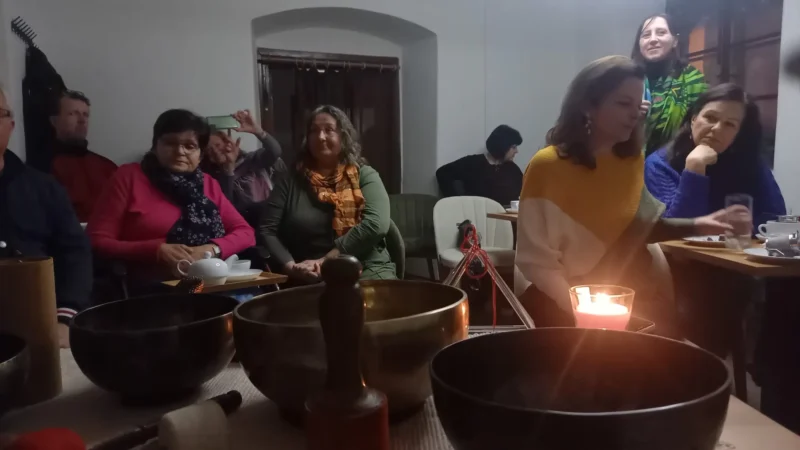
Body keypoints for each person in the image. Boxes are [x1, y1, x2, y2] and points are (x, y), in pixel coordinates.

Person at [514, 56, 746, 328]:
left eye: (638, 106)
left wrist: (701, 225)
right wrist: (578, 309)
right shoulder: (548, 165)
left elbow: (639, 227)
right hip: (564, 304)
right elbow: (536, 262)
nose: (634, 114)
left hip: (630, 293)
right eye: (623, 104)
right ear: (588, 105)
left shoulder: (631, 161)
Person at [87, 109, 255, 282]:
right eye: (170, 143)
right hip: (150, 287)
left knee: (253, 296)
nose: (180, 151)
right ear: (155, 146)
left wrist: (212, 249)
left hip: (203, 284)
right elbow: (96, 240)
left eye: (190, 146)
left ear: (200, 155)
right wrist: (155, 250)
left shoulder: (207, 183)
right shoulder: (128, 178)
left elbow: (246, 233)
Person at [259, 105, 395, 283]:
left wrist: (328, 260)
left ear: (343, 136)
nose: (321, 137)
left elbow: (376, 224)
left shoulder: (364, 175)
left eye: (329, 130)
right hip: (310, 274)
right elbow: (267, 230)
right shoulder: (290, 180)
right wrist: (291, 267)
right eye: (314, 131)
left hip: (366, 268)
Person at [0, 84, 92, 348]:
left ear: (11, 126)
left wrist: (64, 318)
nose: (182, 152)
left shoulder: (44, 187)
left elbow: (75, 253)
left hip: (40, 319)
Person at [645, 83, 785, 227]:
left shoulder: (750, 162)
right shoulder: (659, 164)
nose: (717, 128)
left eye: (729, 124)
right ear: (693, 119)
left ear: (738, 134)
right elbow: (670, 231)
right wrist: (695, 168)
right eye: (710, 117)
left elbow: (775, 220)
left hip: (737, 242)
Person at [633, 14, 707, 155]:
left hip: (676, 160)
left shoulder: (692, 79)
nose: (653, 39)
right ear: (639, 43)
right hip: (627, 160)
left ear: (674, 41)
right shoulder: (626, 79)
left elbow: (703, 124)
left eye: (661, 33)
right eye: (646, 35)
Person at [202, 109, 286, 227]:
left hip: (272, 216)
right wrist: (229, 170)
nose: (215, 151)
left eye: (218, 145)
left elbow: (275, 151)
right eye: (209, 151)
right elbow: (228, 208)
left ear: (227, 142)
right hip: (246, 223)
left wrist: (258, 131)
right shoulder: (214, 178)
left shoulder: (252, 159)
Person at [48, 90, 117, 222]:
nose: (82, 120)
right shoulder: (42, 167)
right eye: (73, 113)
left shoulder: (108, 167)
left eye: (85, 115)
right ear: (54, 121)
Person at [436, 125, 523, 206]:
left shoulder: (513, 169)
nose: (516, 151)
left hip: (507, 215)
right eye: (513, 147)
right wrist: (458, 202)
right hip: (479, 214)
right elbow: (442, 173)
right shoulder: (473, 163)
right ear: (502, 146)